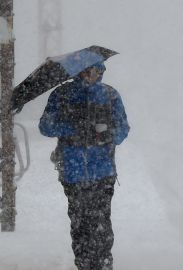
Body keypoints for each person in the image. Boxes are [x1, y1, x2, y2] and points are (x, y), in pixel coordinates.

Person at [39, 62, 130, 270]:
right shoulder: (62, 94)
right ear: (81, 71)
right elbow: (45, 126)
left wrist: (107, 134)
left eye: (99, 71)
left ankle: (104, 264)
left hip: (103, 170)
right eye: (92, 70)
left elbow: (123, 128)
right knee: (79, 224)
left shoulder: (109, 95)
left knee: (101, 224)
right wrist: (71, 126)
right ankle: (84, 265)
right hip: (73, 171)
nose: (96, 74)